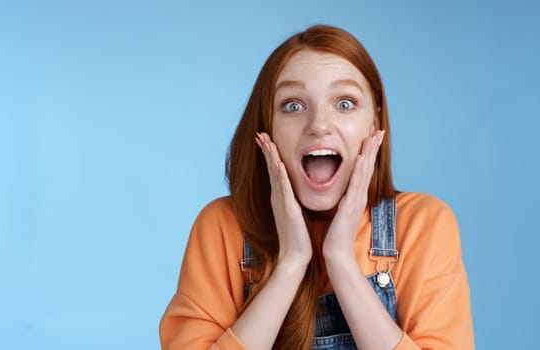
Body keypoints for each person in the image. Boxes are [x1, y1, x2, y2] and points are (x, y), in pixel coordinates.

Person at [159, 24, 474, 349]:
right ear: (267, 127)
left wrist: (340, 259)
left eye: (345, 103)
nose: (319, 125)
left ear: (375, 122)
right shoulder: (222, 227)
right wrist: (291, 262)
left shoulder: (423, 224)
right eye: (293, 106)